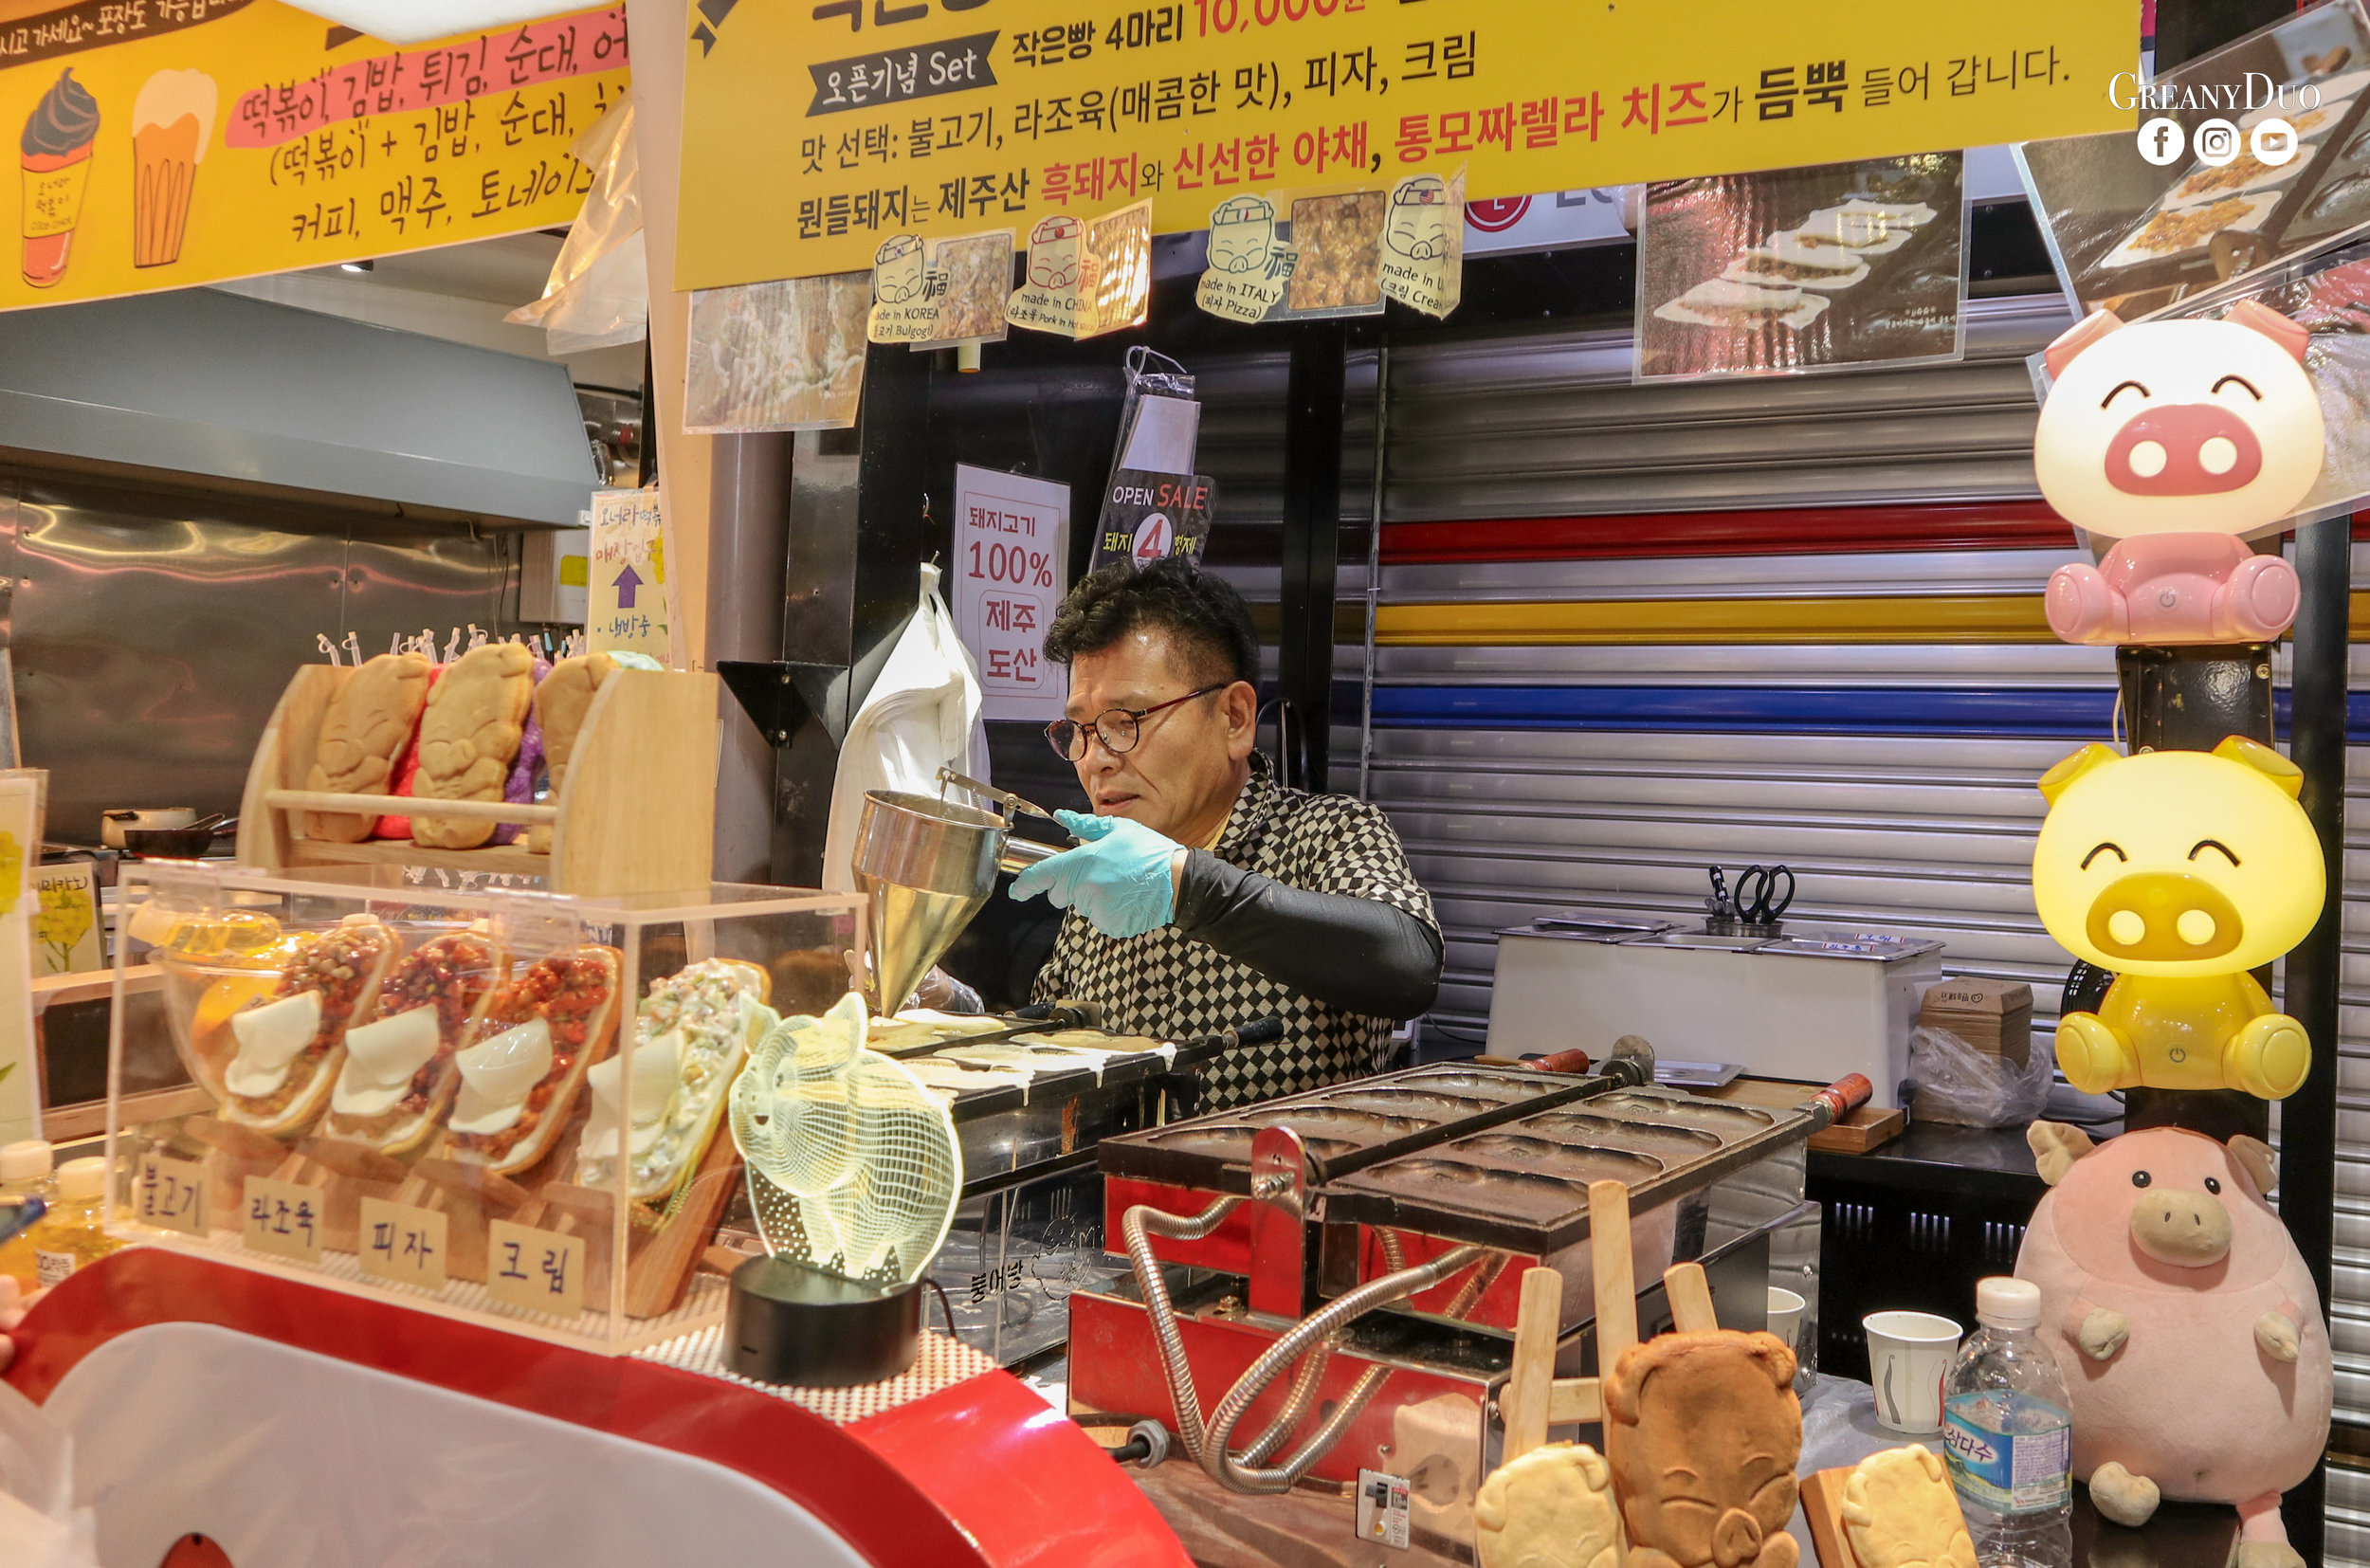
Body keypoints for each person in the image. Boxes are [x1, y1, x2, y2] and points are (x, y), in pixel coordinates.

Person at [1008, 556, 1441, 1106]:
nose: (1095, 760)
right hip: (1125, 1190)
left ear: (1234, 718)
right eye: (1080, 730)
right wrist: (956, 1013)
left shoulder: (1325, 833)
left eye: (1126, 722)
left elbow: (1410, 966)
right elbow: (1051, 1032)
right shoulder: (1108, 870)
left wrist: (1190, 884)